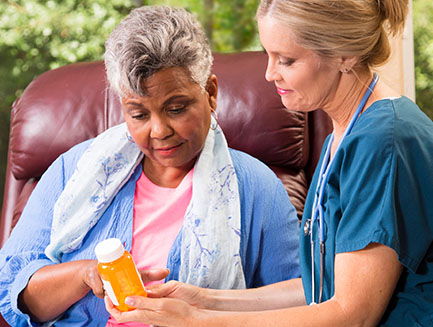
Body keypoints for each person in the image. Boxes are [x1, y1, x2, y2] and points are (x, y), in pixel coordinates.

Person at [104, 0, 433, 326]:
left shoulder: (383, 140)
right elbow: (320, 289)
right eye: (269, 55)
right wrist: (203, 299)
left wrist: (196, 321)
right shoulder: (345, 132)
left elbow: (353, 315)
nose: (269, 73)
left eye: (287, 60)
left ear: (344, 55)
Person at [0, 5, 301, 327]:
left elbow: (297, 301)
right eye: (139, 114)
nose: (159, 131)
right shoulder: (71, 171)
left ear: (210, 93)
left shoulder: (256, 187)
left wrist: (205, 312)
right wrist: (86, 274)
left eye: (176, 108)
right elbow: (11, 295)